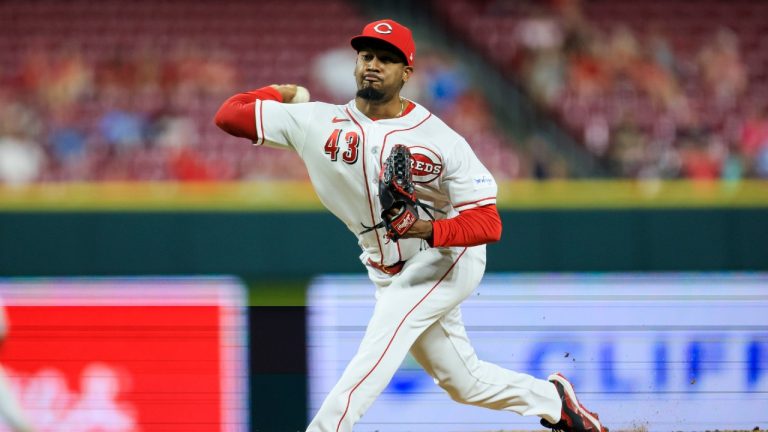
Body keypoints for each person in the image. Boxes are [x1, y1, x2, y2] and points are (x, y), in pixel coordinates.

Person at [215, 19, 607, 432]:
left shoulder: (441, 139)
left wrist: (426, 229)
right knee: (464, 382)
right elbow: (229, 115)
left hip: (446, 255)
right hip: (385, 263)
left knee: (379, 344)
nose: (373, 64)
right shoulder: (314, 122)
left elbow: (489, 224)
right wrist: (282, 93)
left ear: (407, 73)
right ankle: (553, 401)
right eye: (367, 55)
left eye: (387, 59)